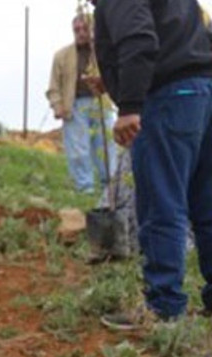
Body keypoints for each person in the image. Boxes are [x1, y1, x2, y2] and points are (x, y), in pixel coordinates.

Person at [93, 0, 212, 329]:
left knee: (162, 204)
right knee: (206, 205)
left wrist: (130, 105)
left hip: (169, 98)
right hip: (203, 91)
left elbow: (140, 40)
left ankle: (164, 308)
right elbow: (183, 37)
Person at [48, 13, 118, 194]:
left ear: (93, 29)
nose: (80, 33)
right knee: (79, 149)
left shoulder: (104, 52)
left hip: (101, 103)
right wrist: (57, 106)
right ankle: (84, 189)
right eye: (76, 30)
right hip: (75, 106)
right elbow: (53, 86)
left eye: (84, 29)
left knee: (106, 146)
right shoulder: (61, 56)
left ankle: (109, 188)